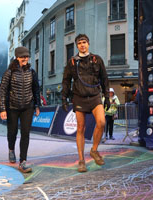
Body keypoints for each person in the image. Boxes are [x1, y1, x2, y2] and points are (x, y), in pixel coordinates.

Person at [62, 34, 110, 173]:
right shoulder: (72, 62)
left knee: (101, 122)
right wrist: (64, 98)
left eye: (84, 42)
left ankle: (94, 150)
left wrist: (107, 97)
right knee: (81, 128)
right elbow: (66, 81)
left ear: (88, 44)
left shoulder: (97, 59)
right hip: (79, 97)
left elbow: (105, 78)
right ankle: (81, 160)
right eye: (79, 43)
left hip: (95, 96)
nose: (82, 45)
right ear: (77, 46)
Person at [0, 46, 40, 173]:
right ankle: (11, 149)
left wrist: (37, 105)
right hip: (12, 107)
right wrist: (2, 109)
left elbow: (36, 90)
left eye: (27, 56)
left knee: (25, 133)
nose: (25, 59)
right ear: (17, 57)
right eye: (23, 57)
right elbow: (2, 90)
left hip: (28, 107)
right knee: (12, 133)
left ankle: (23, 162)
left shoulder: (32, 72)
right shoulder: (9, 72)